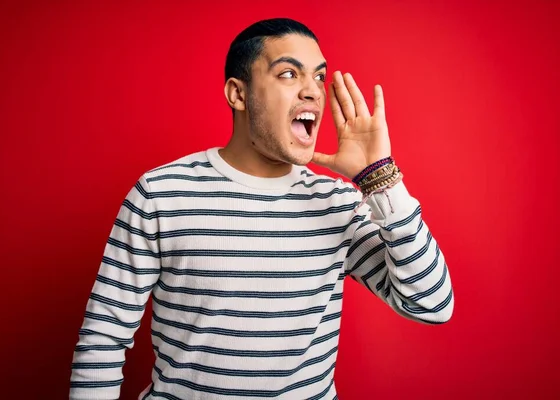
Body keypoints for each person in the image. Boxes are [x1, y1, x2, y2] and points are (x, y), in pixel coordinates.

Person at [69, 17, 454, 400]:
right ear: (238, 94)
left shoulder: (338, 203)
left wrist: (379, 177)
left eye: (319, 77)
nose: (313, 92)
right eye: (289, 74)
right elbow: (103, 336)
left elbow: (431, 304)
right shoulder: (160, 193)